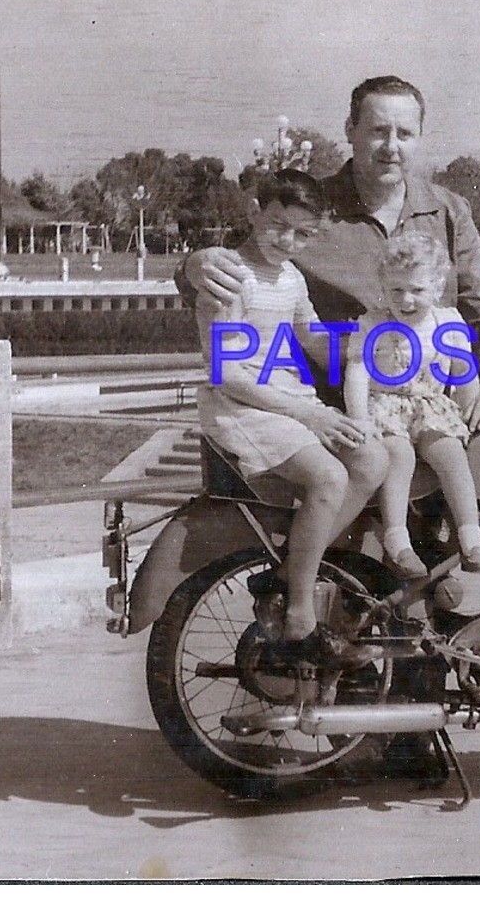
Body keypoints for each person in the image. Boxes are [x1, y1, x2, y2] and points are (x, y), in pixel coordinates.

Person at [181, 75, 480, 431]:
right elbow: (233, 262)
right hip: (337, 414)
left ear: (419, 137)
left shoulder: (449, 210)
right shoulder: (308, 210)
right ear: (350, 130)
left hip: (432, 412)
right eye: (377, 131)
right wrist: (194, 265)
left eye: (404, 134)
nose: (391, 147)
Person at [194, 169, 388, 670]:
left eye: (303, 234)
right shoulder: (231, 277)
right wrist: (309, 412)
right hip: (243, 407)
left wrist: (378, 343)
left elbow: (315, 341)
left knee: (371, 459)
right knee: (328, 475)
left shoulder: (292, 276)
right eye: (279, 224)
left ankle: (285, 578)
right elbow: (226, 374)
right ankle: (301, 613)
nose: (288, 240)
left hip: (288, 401)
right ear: (255, 209)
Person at [346, 231, 480, 577]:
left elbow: (463, 373)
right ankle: (399, 543)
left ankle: (471, 539)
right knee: (399, 456)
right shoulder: (371, 323)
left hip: (430, 406)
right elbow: (357, 372)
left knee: (451, 455)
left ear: (438, 287)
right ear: (383, 287)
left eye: (417, 290)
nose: (406, 300)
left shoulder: (448, 322)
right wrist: (359, 419)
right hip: (386, 406)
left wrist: (469, 411)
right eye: (396, 290)